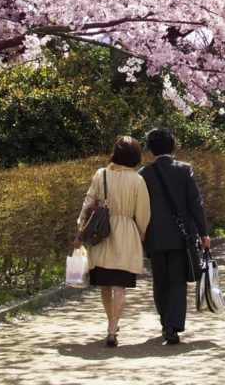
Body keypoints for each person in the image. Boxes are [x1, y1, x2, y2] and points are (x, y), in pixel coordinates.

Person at [76, 135, 151, 347]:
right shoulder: (138, 180)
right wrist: (141, 236)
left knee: (105, 285)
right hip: (127, 233)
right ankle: (113, 328)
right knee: (120, 286)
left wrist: (81, 228)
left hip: (102, 234)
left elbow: (88, 202)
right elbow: (143, 214)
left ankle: (110, 322)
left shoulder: (101, 175)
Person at [139, 127, 211, 344]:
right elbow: (195, 204)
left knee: (160, 281)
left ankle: (165, 323)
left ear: (151, 150)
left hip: (155, 236)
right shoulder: (184, 169)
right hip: (181, 236)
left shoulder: (144, 174)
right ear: (173, 146)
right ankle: (174, 325)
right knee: (178, 281)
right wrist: (204, 232)